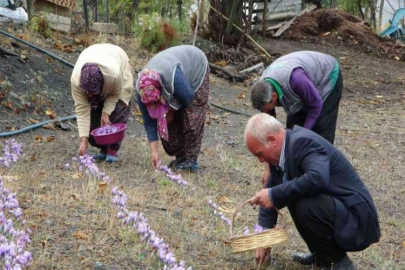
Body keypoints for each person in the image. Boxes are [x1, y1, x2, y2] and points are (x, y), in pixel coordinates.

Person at [244, 113, 380, 270]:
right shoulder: (280, 154)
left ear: (272, 140)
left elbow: (318, 179)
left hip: (357, 220)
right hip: (340, 212)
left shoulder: (302, 142)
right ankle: (322, 255)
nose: (260, 160)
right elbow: (271, 189)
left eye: (260, 154)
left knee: (304, 202)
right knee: (292, 192)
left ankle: (337, 262)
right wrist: (263, 235)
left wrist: (274, 195)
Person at [250, 51, 343, 184]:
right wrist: (268, 170)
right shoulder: (263, 87)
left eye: (266, 108)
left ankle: (323, 177)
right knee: (292, 131)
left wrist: (303, 134)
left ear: (274, 97)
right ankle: (295, 176)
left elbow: (316, 105)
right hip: (299, 87)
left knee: (320, 133)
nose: (265, 112)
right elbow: (269, 135)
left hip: (327, 77)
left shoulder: (296, 79)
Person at [136, 45, 209, 172]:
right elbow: (149, 122)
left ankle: (191, 160)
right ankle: (181, 157)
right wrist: (154, 152)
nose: (152, 106)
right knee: (165, 121)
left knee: (191, 117)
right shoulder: (141, 91)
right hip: (170, 81)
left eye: (155, 102)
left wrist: (170, 110)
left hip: (195, 66)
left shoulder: (173, 79)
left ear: (160, 92)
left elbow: (188, 97)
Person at [71, 43, 134, 162]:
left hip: (118, 62)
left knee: (118, 109)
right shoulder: (76, 81)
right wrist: (83, 142)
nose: (90, 96)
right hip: (93, 54)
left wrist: (106, 113)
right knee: (94, 113)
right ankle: (103, 149)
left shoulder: (113, 75)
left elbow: (115, 94)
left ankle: (112, 150)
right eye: (88, 93)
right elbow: (82, 111)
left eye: (93, 93)